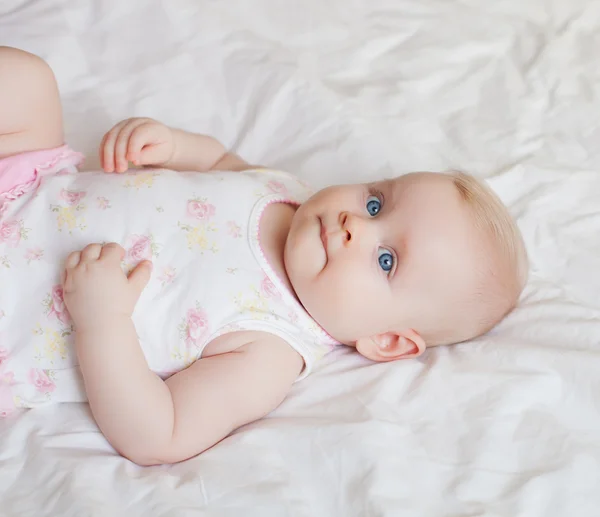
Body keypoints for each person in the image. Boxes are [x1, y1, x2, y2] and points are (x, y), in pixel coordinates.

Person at [0, 47, 527, 465]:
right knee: (26, 81)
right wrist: (172, 145)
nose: (354, 226)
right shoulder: (288, 192)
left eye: (386, 260)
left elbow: (158, 433)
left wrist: (102, 321)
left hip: (15, 310)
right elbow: (223, 163)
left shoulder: (269, 348)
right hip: (28, 188)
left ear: (386, 340)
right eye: (376, 202)